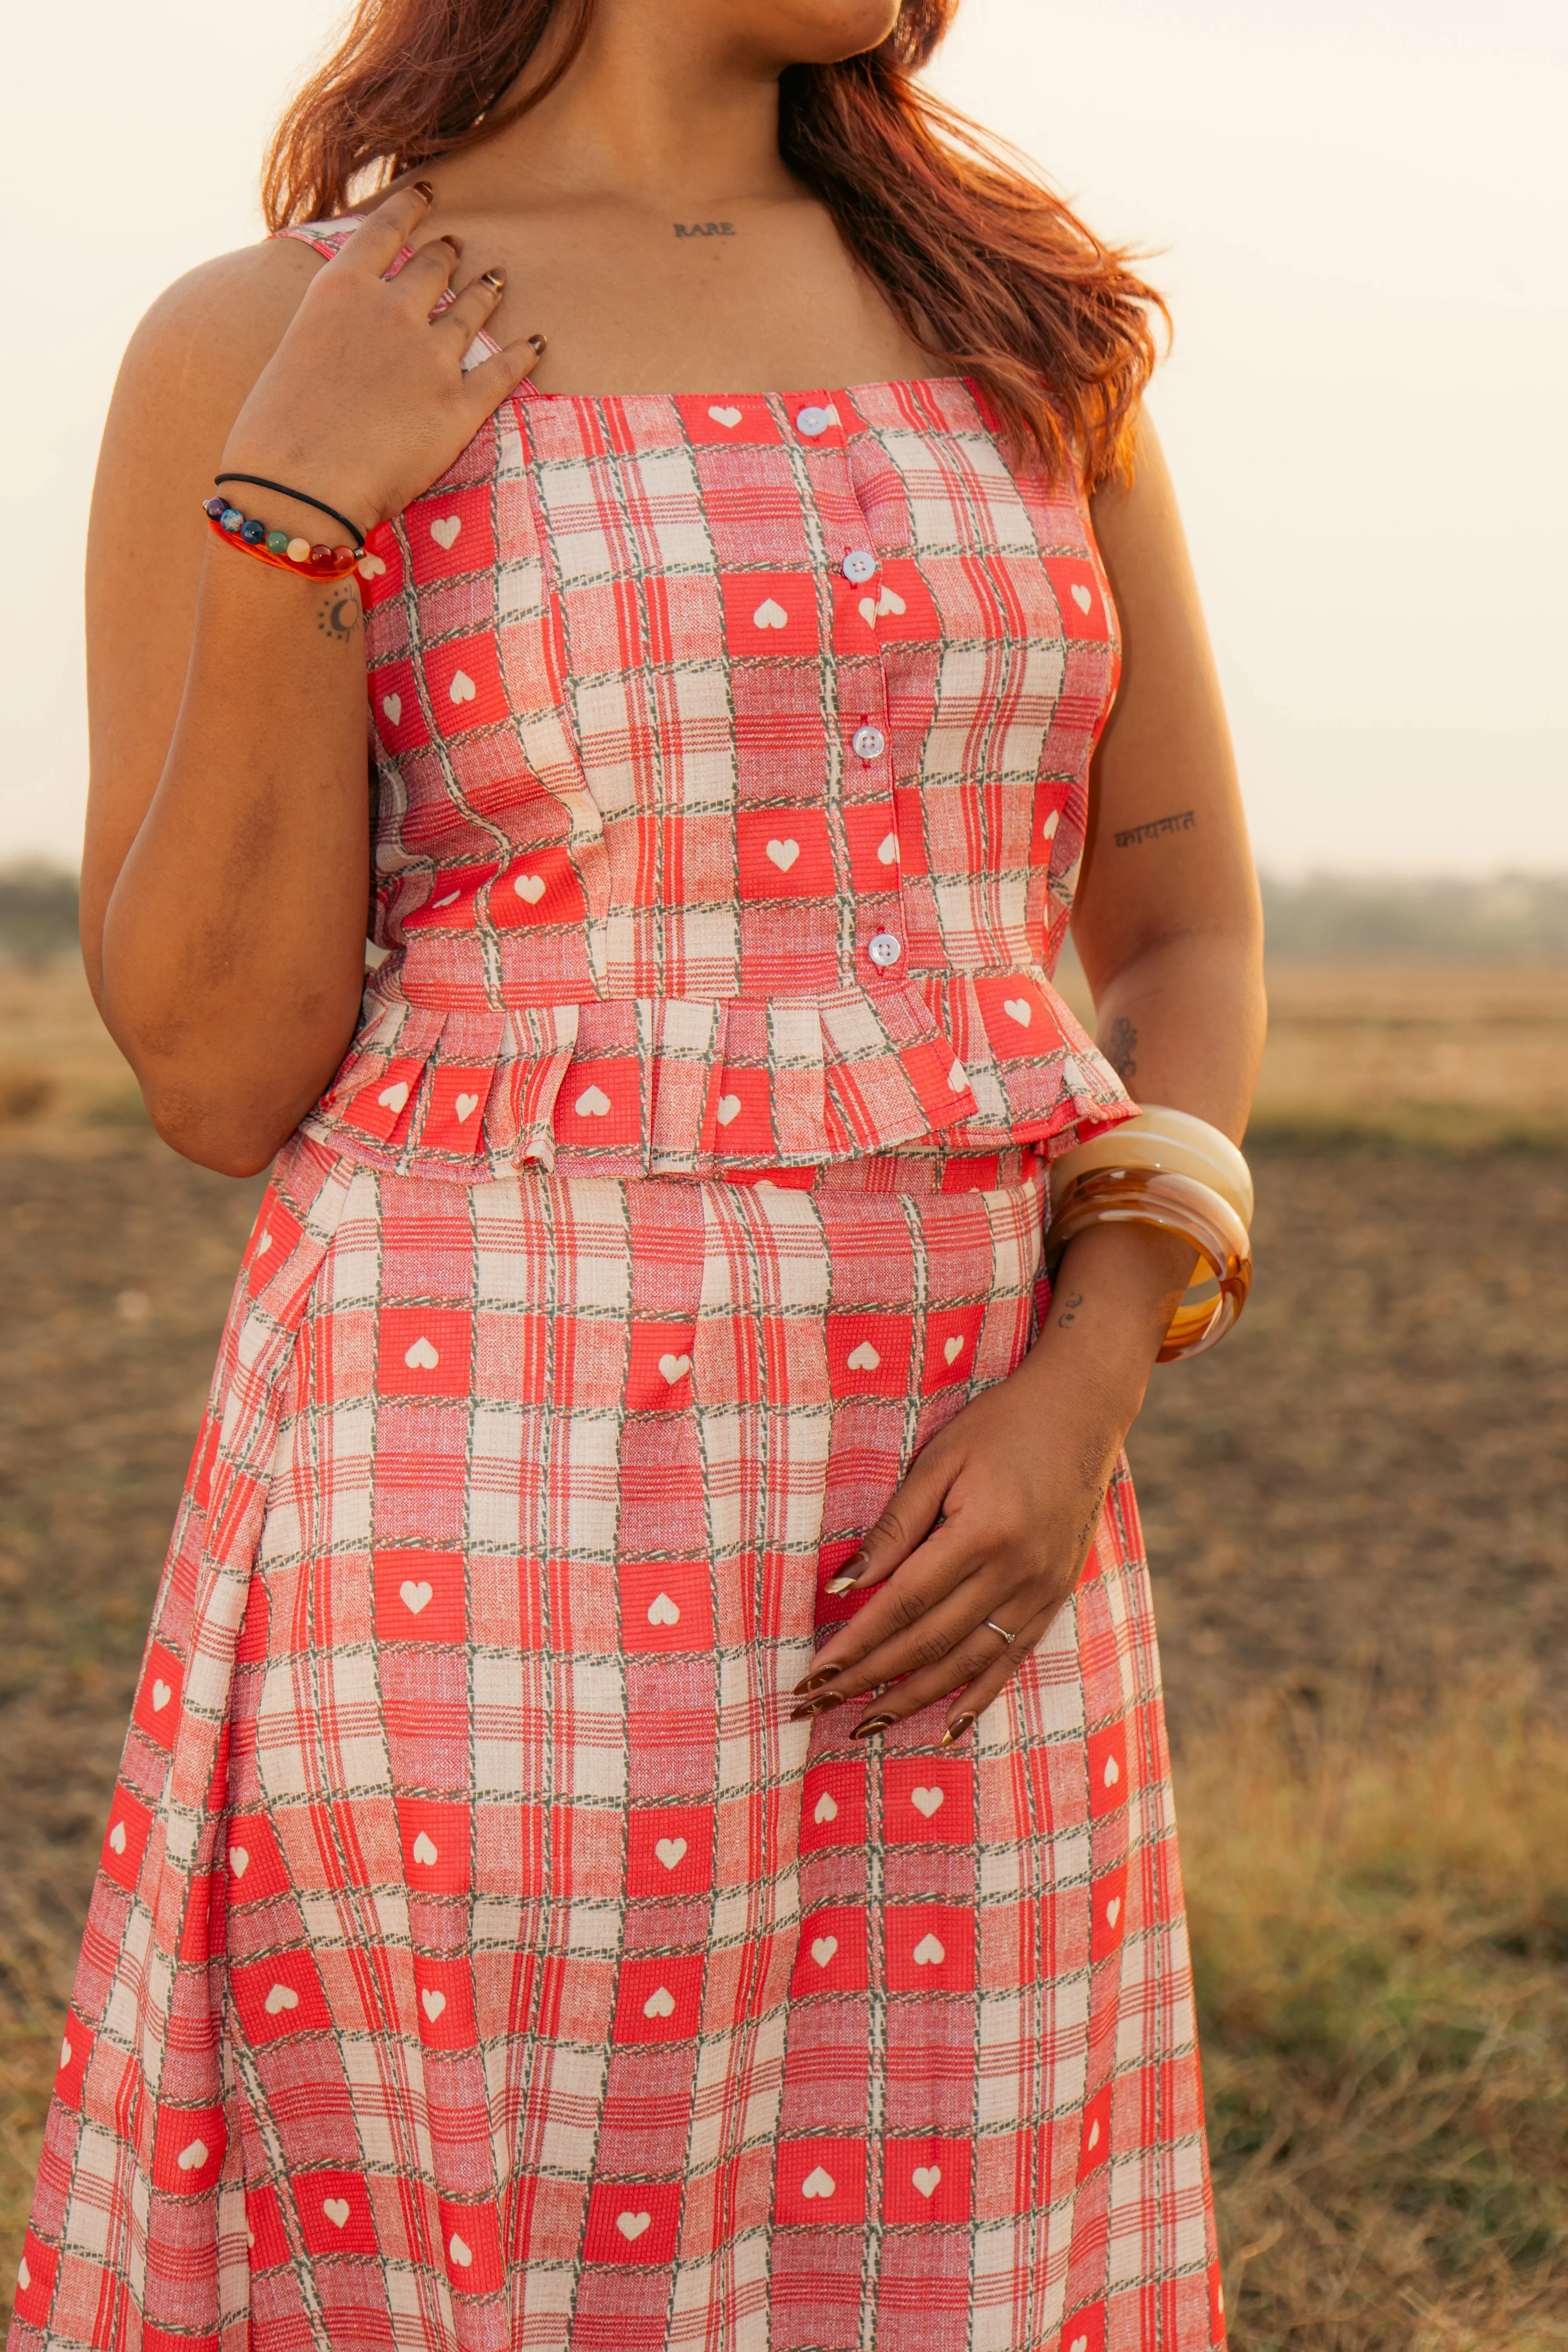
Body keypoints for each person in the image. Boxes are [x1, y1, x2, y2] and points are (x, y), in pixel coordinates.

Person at [11, 2, 1265, 2346]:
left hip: (969, 1523)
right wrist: (293, 515)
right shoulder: (271, 335)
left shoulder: (1027, 324)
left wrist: (1095, 1372)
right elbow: (210, 1073)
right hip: (482, 1509)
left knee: (955, 2240)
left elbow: (1184, 931)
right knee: (518, 2232)